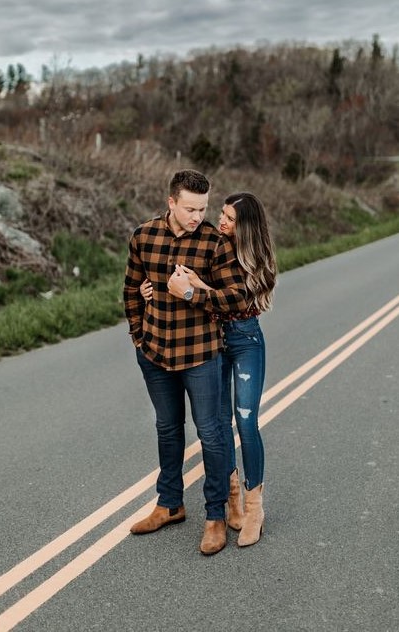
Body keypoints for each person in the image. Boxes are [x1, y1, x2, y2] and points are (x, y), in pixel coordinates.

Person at [141, 191, 277, 547]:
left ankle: (254, 506)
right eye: (222, 214)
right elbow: (183, 282)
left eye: (230, 218)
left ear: (245, 227)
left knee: (245, 420)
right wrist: (152, 290)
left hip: (245, 341)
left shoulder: (257, 258)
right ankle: (231, 499)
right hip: (212, 341)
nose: (221, 220)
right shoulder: (212, 244)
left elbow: (237, 298)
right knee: (217, 424)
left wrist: (197, 289)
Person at [123, 169, 248, 555]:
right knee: (167, 429)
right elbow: (130, 289)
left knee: (210, 433)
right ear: (171, 202)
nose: (198, 216)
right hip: (156, 352)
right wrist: (139, 337)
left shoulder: (213, 242)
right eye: (190, 208)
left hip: (200, 354)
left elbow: (238, 298)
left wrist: (193, 293)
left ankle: (214, 516)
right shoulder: (144, 236)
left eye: (203, 208)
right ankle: (170, 504)